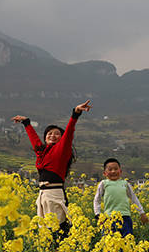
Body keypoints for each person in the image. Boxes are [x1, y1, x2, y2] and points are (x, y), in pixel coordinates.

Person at [12, 100, 91, 242]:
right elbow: (35, 141)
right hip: (42, 195)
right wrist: (27, 123)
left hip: (55, 194)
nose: (52, 136)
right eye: (49, 133)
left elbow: (69, 132)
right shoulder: (42, 153)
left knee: (56, 232)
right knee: (44, 234)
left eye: (56, 134)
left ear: (61, 138)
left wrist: (76, 113)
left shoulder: (62, 150)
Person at [93, 158, 148, 237]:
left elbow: (134, 198)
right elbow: (97, 200)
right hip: (108, 218)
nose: (113, 171)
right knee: (109, 244)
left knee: (127, 242)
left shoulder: (125, 184)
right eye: (110, 169)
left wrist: (141, 213)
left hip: (125, 217)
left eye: (116, 169)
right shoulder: (103, 183)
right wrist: (98, 214)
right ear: (104, 173)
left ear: (120, 171)